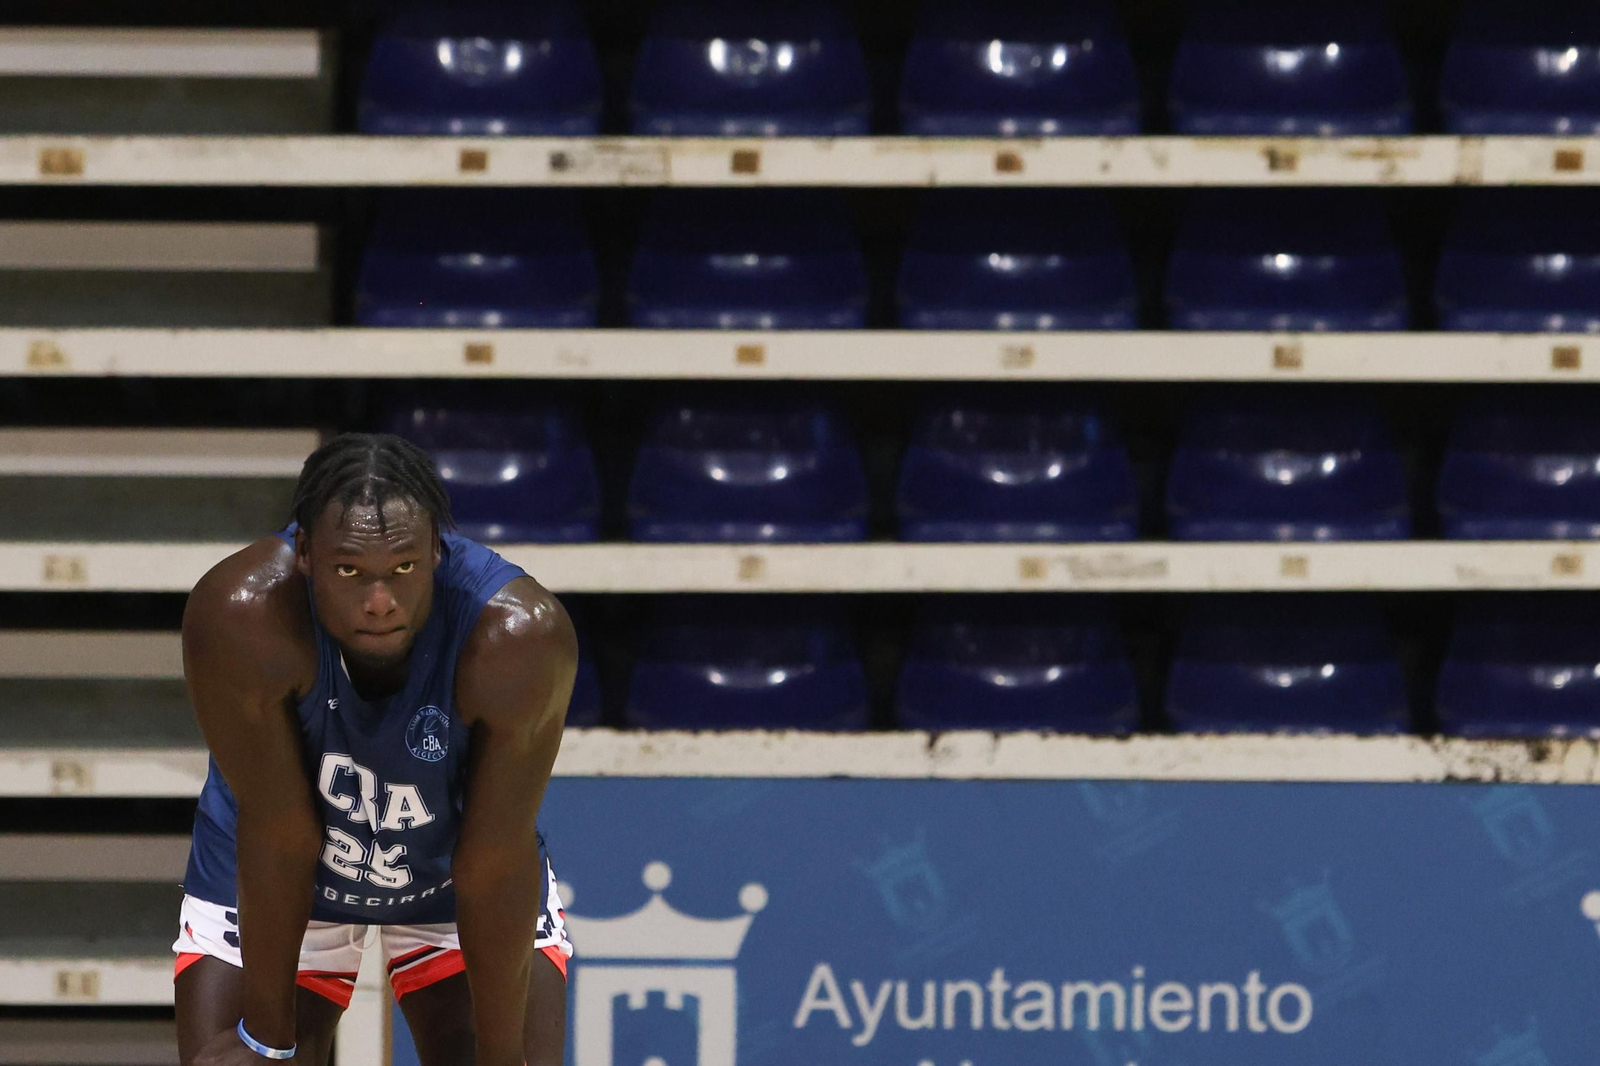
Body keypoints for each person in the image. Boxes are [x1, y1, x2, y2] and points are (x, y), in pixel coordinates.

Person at [171, 433, 577, 1066]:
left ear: (437, 553)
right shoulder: (241, 615)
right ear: (304, 553)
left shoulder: (518, 636)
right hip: (278, 869)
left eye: (404, 569)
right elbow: (280, 833)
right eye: (349, 571)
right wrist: (267, 1042)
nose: (380, 601)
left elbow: (493, 860)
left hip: (452, 869)